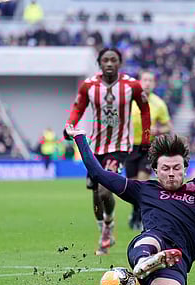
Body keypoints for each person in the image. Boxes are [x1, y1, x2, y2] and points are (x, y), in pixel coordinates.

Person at [62, 118, 195, 285]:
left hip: (178, 258)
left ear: (185, 169)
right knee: (151, 239)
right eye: (166, 169)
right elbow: (98, 173)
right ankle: (145, 262)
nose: (172, 174)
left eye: (177, 168)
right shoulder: (143, 190)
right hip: (150, 244)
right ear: (156, 171)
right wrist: (79, 137)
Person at [63, 48, 151, 256]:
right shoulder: (89, 86)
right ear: (99, 63)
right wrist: (70, 125)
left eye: (113, 60)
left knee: (104, 189)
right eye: (105, 60)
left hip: (119, 147)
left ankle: (108, 227)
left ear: (119, 63)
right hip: (96, 147)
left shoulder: (131, 85)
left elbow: (144, 109)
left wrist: (146, 137)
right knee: (95, 193)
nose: (109, 63)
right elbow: (78, 108)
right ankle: (103, 229)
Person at [126, 71, 173, 231]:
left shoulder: (159, 104)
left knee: (142, 181)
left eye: (150, 80)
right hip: (131, 147)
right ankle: (135, 212)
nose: (147, 83)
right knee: (132, 186)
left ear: (154, 84)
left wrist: (158, 130)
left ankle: (141, 217)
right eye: (145, 80)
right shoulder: (131, 101)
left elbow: (168, 126)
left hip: (148, 147)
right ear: (140, 82)